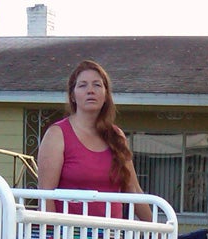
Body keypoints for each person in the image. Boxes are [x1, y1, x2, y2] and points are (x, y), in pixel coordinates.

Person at [37, 59, 152, 221]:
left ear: (106, 95)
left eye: (97, 85)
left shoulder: (116, 136)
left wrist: (162, 236)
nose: (90, 90)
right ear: (73, 96)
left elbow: (133, 189)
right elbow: (45, 195)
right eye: (83, 85)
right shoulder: (57, 135)